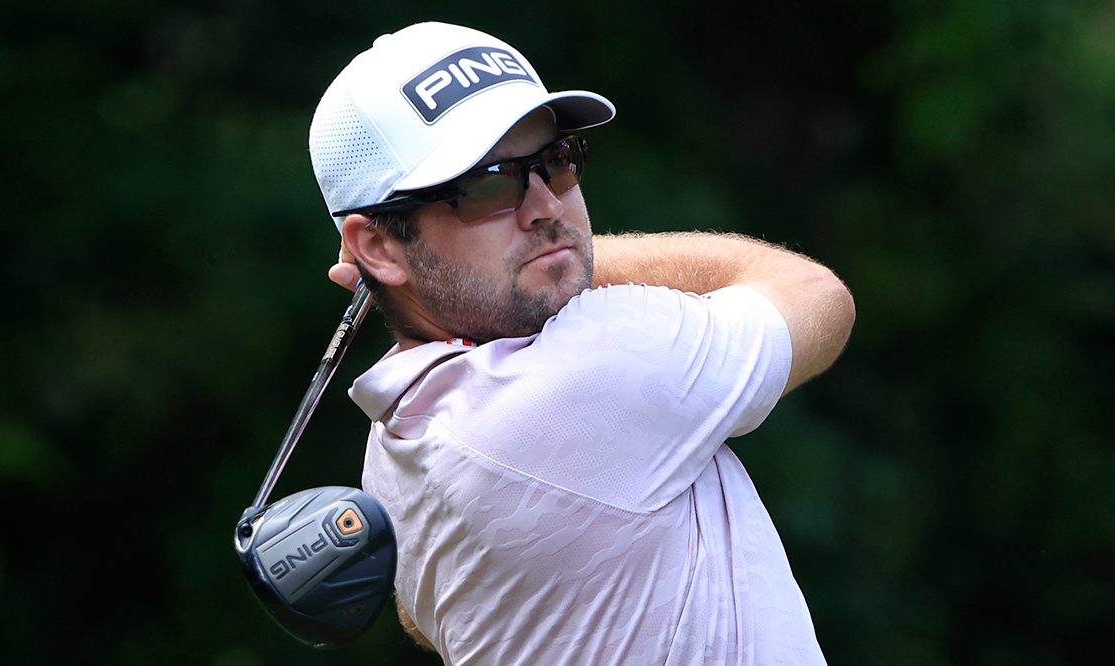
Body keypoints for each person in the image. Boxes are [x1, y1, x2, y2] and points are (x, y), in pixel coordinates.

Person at [309, 21, 855, 666]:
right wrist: (562, 257)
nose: (546, 206)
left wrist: (516, 262)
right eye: (488, 185)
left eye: (556, 162)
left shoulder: (394, 445)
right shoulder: (601, 362)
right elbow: (815, 294)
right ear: (377, 246)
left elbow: (420, 620)